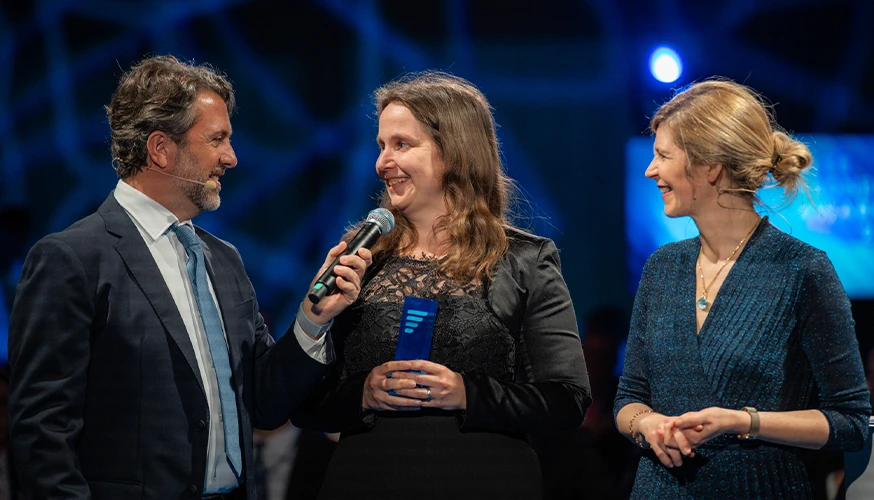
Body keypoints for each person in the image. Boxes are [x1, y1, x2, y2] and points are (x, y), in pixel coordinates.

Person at [8, 55, 371, 500]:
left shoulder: (224, 259)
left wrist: (314, 319)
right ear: (161, 148)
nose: (231, 158)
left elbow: (266, 402)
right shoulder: (73, 258)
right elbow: (41, 432)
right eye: (216, 139)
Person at [290, 71, 591, 499]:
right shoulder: (361, 259)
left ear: (455, 151)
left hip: (484, 482)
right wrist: (364, 392)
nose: (382, 163)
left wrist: (467, 393)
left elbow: (567, 399)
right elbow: (302, 404)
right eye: (381, 146)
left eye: (401, 145)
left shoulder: (525, 260)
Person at [614, 79, 872, 499]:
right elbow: (629, 398)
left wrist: (744, 421)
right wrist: (645, 424)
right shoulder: (662, 268)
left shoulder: (802, 271)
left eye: (663, 155)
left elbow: (851, 422)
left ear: (710, 165)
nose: (651, 170)